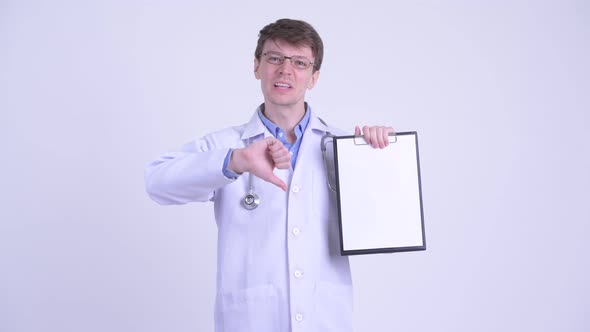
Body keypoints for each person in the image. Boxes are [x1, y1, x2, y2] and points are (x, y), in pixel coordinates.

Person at [145, 18, 394, 332]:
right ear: (256, 67)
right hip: (250, 321)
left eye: (300, 62)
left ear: (314, 76)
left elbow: (387, 217)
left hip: (325, 319)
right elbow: (157, 182)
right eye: (274, 58)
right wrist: (237, 161)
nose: (285, 70)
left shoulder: (344, 148)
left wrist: (382, 155)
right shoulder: (227, 146)